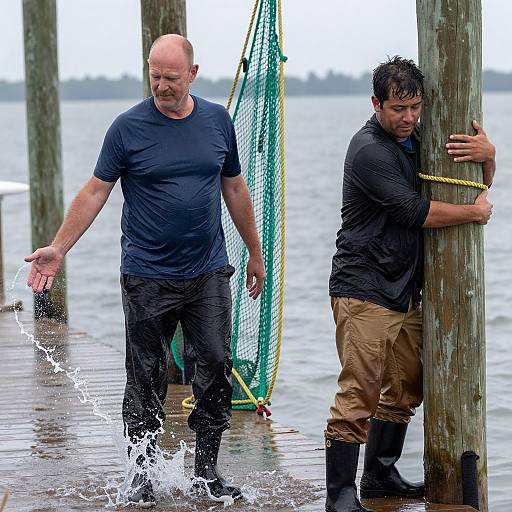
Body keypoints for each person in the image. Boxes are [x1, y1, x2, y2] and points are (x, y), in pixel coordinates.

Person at [25, 34, 265, 507]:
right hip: (147, 275)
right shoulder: (127, 128)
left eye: (171, 78)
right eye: (154, 76)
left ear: (192, 75)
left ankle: (207, 473)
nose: (161, 86)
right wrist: (58, 247)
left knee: (215, 365)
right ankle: (142, 473)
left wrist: (254, 252)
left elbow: (233, 186)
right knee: (146, 374)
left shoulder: (217, 121)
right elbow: (96, 191)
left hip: (208, 271)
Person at [325, 56, 495, 512]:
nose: (408, 118)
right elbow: (412, 212)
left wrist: (490, 156)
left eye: (415, 107)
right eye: (398, 108)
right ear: (376, 103)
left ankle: (379, 476)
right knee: (358, 392)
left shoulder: (416, 139)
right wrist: (473, 214)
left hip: (401, 290)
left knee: (404, 387)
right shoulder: (368, 151)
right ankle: (340, 497)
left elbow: (471, 187)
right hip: (362, 288)